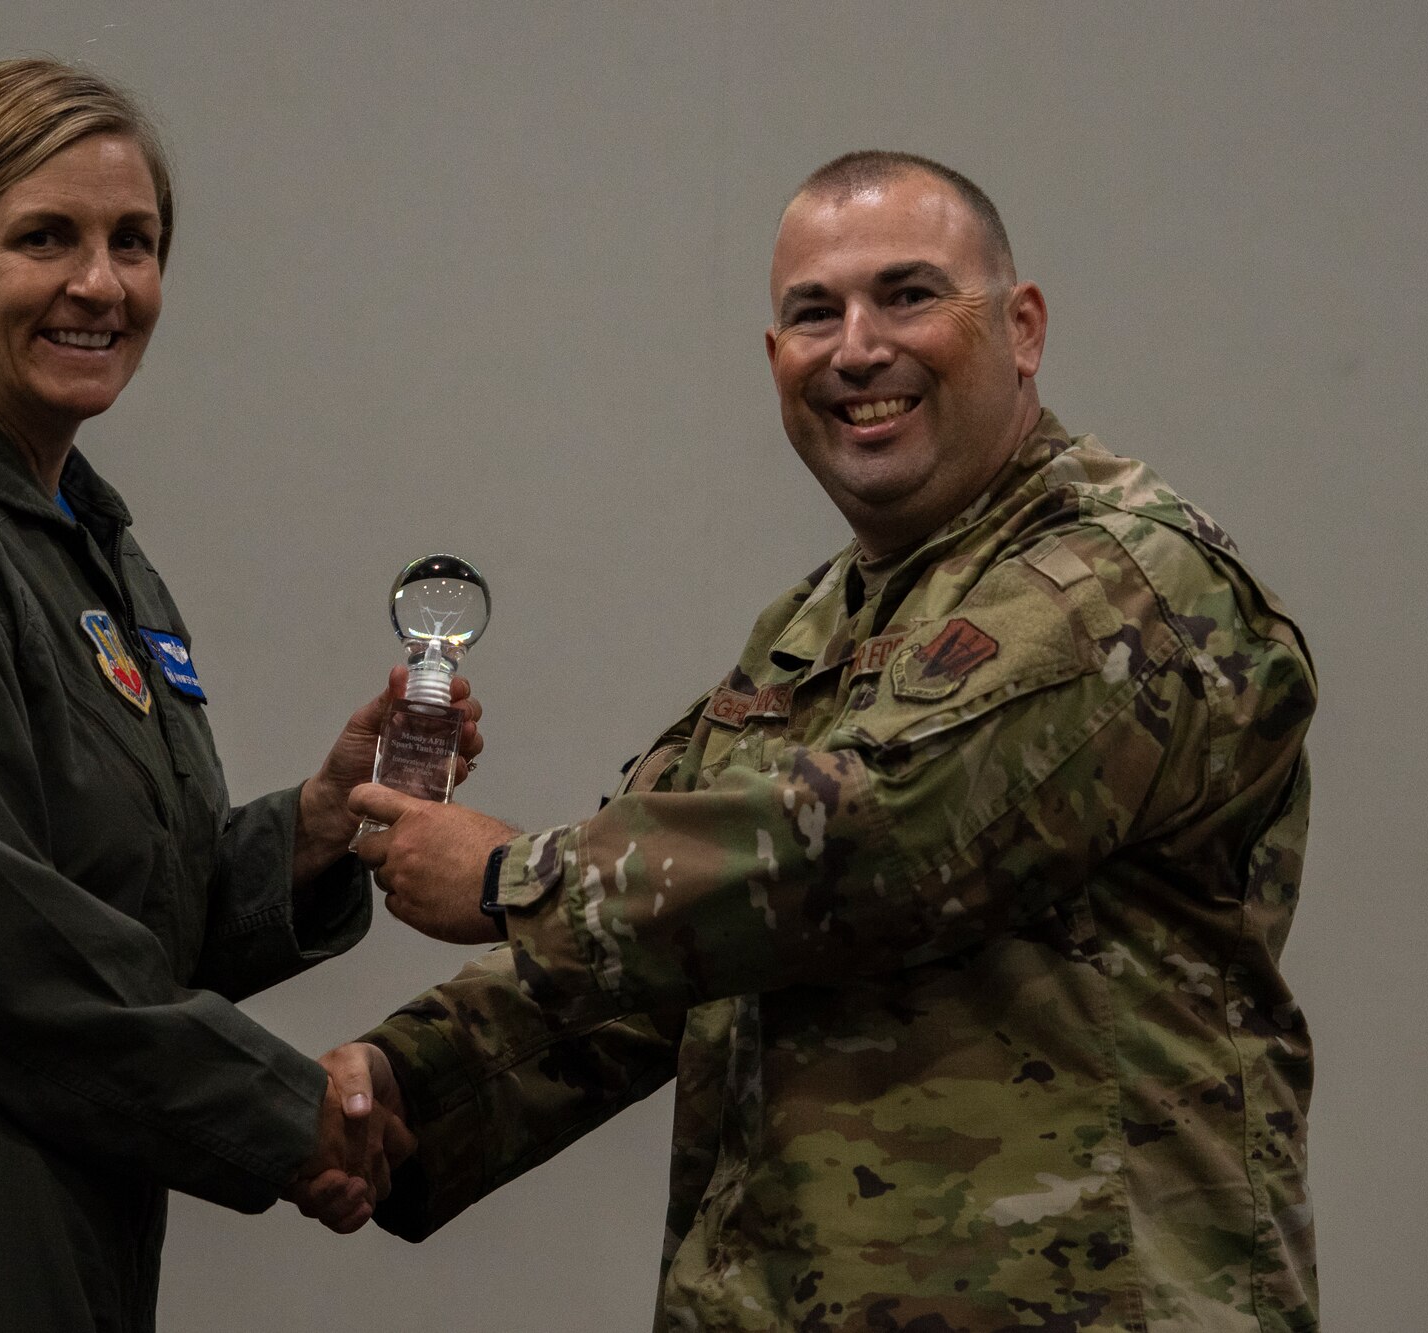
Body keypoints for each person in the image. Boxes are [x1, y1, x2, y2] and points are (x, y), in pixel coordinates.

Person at [308, 151, 1318, 1332]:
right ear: (773, 360)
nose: (855, 347)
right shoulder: (814, 626)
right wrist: (387, 1091)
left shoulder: (1123, 581)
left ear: (1022, 326)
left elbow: (866, 847)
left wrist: (507, 878)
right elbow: (656, 950)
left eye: (907, 294)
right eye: (810, 312)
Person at [0, 58, 453, 1332]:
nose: (100, 284)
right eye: (44, 236)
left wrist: (315, 829)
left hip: (42, 1159)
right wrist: (288, 1115)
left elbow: (116, 915)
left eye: (134, 242)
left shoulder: (77, 542)